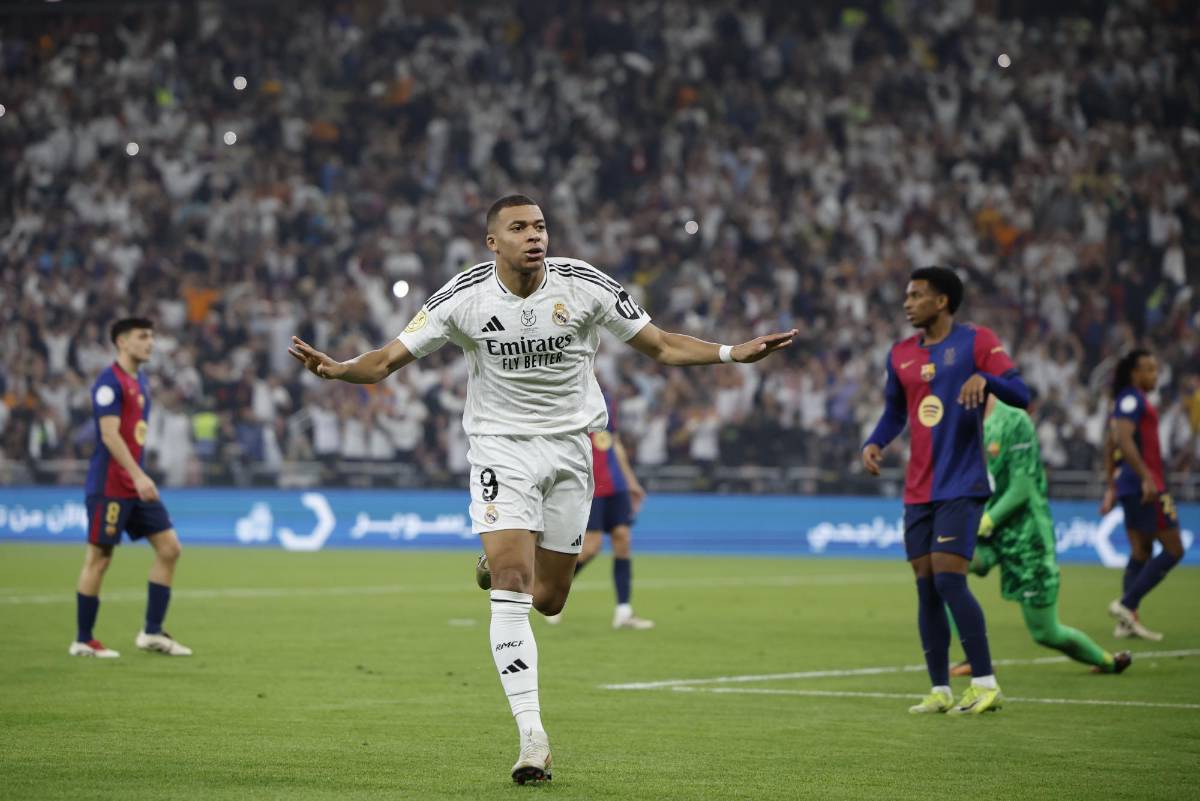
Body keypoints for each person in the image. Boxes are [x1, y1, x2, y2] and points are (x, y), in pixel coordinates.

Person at [288, 194, 796, 784]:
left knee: (550, 598)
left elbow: (660, 344)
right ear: (492, 242)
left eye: (541, 226)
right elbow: (386, 360)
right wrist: (338, 369)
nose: (535, 235)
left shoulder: (585, 286)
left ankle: (500, 557)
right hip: (500, 448)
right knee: (511, 581)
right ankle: (533, 737)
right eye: (520, 227)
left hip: (571, 451)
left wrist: (733, 353)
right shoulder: (462, 298)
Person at [861, 266, 1029, 715]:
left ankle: (986, 682)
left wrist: (987, 380)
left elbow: (1021, 391)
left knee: (950, 579)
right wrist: (875, 442)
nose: (907, 303)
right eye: (907, 295)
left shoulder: (977, 342)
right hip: (919, 488)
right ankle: (939, 690)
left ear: (942, 301)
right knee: (926, 587)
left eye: (916, 295)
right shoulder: (899, 354)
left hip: (963, 482)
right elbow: (895, 412)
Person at [950, 397, 1131, 676]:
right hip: (992, 537)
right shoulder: (963, 418)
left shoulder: (1015, 421)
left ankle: (1107, 661)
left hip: (1027, 537)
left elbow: (1022, 488)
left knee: (1045, 632)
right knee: (945, 569)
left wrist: (986, 520)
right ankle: (973, 657)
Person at [72, 318, 192, 659]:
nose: (150, 342)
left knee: (169, 548)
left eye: (152, 336)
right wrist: (139, 476)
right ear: (122, 342)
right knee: (99, 559)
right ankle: (83, 639)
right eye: (143, 337)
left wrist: (138, 478)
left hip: (134, 486)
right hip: (111, 485)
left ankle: (151, 632)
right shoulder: (109, 383)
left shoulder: (140, 381)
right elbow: (109, 435)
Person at [546, 388, 653, 629]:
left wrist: (631, 481)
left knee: (622, 539)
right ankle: (551, 594)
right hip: (589, 485)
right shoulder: (562, 395)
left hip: (615, 483)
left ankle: (624, 612)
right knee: (591, 547)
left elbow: (613, 443)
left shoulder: (605, 399)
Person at [1101, 349, 1185, 641]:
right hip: (1146, 487)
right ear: (1135, 373)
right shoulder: (1130, 399)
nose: (1155, 375)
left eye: (1156, 369)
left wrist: (1111, 487)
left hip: (1132, 486)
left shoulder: (1132, 400)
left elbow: (1110, 442)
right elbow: (1121, 440)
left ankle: (1126, 623)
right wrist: (1148, 478)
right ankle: (1126, 605)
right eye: (1149, 369)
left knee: (1141, 553)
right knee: (1174, 549)